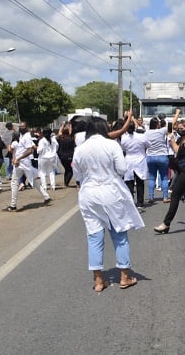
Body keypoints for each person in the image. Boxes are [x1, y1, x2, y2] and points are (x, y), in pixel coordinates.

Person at [72, 117, 144, 292]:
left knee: (94, 237)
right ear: (104, 128)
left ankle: (98, 280)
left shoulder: (80, 149)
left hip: (88, 194)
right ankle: (124, 277)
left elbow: (77, 175)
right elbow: (121, 169)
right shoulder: (112, 145)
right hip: (110, 192)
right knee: (119, 235)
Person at [154, 122, 185, 233]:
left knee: (175, 195)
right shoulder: (182, 140)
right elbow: (177, 150)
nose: (179, 130)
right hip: (183, 170)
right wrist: (171, 139)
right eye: (177, 128)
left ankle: (166, 223)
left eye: (181, 128)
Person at [5, 122, 52, 212]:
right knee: (35, 181)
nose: (21, 128)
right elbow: (23, 149)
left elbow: (29, 150)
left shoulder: (26, 136)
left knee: (14, 182)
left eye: (22, 126)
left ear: (26, 127)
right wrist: (16, 158)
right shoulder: (24, 136)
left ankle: (13, 205)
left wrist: (18, 159)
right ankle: (46, 196)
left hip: (22, 163)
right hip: (24, 163)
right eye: (20, 126)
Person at [145, 110, 179, 203]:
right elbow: (172, 123)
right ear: (157, 125)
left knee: (152, 177)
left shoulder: (146, 132)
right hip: (162, 156)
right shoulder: (161, 131)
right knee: (164, 177)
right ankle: (165, 197)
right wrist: (176, 114)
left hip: (150, 156)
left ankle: (151, 197)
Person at [120, 119, 149, 209]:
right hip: (140, 161)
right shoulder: (141, 137)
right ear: (135, 127)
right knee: (140, 182)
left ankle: (130, 201)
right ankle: (140, 203)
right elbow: (148, 145)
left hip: (129, 160)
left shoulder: (124, 138)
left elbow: (123, 148)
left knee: (129, 182)